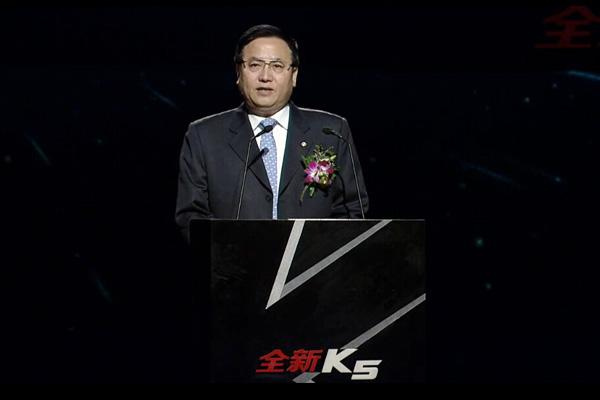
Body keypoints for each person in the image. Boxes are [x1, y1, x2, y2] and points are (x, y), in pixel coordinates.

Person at [175, 24, 368, 239]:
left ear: (293, 75)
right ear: (238, 72)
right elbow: (191, 217)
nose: (265, 76)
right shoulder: (204, 136)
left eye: (277, 66)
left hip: (313, 259)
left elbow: (352, 210)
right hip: (233, 259)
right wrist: (231, 254)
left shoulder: (331, 131)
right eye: (255, 65)